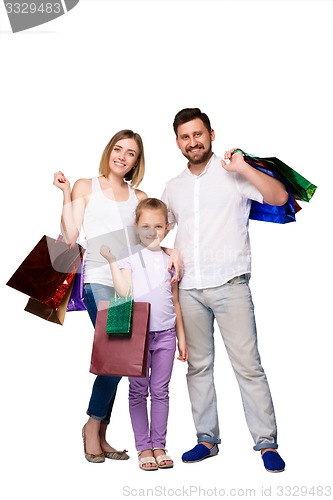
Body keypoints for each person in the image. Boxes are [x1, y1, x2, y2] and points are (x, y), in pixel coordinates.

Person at [161, 108, 288, 473]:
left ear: (211, 134)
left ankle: (266, 444)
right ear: (178, 142)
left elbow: (278, 197)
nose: (192, 142)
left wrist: (245, 167)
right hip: (189, 290)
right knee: (198, 367)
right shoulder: (173, 186)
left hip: (231, 285)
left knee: (248, 367)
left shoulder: (233, 172)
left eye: (198, 134)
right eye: (185, 137)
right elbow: (156, 230)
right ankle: (206, 439)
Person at [53, 130, 181, 463]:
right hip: (97, 279)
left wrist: (169, 249)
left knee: (121, 359)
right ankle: (92, 425)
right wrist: (66, 195)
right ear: (109, 151)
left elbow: (147, 240)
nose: (122, 157)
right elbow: (68, 236)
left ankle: (101, 430)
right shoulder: (85, 186)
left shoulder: (139, 197)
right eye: (118, 149)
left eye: (131, 153)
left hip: (128, 283)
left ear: (138, 161)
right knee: (118, 350)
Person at [100, 197, 188, 471]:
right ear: (136, 225)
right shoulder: (130, 257)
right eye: (146, 225)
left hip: (165, 336)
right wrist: (113, 261)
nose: (153, 231)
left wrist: (181, 337)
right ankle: (144, 447)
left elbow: (175, 300)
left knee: (161, 391)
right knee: (138, 391)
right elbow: (123, 293)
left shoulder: (169, 259)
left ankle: (159, 444)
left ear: (167, 227)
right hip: (135, 336)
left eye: (159, 226)